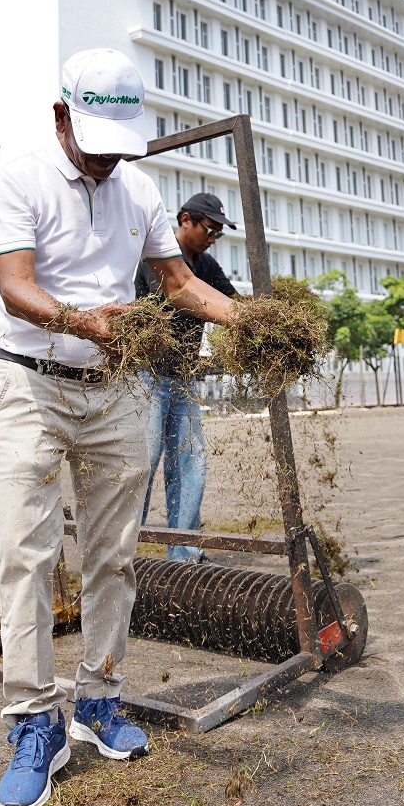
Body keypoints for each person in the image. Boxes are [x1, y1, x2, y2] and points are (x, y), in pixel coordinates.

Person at [0, 47, 239, 806]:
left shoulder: (140, 188)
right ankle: (34, 722)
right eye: (93, 144)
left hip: (115, 387)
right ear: (62, 116)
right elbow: (15, 285)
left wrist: (252, 322)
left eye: (116, 147)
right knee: (24, 554)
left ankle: (97, 700)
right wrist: (83, 321)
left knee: (113, 555)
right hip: (30, 382)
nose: (104, 162)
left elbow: (180, 283)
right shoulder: (16, 178)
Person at [134, 192, 240, 562]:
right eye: (209, 230)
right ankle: (120, 551)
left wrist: (260, 318)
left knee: (190, 463)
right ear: (185, 220)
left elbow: (231, 302)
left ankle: (185, 553)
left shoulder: (207, 267)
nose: (212, 238)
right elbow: (175, 297)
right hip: (145, 378)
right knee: (142, 462)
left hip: (183, 378)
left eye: (217, 234)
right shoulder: (156, 257)